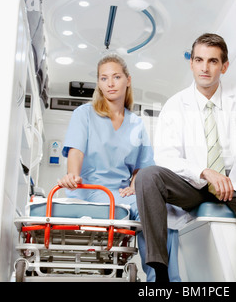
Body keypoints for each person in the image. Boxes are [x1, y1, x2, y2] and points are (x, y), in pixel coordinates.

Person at [135, 33, 236, 282]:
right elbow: (166, 157)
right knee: (147, 176)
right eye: (199, 60)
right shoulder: (175, 105)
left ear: (224, 66)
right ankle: (159, 270)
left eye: (212, 61)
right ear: (191, 63)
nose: (204, 67)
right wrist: (203, 171)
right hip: (194, 186)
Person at [58, 54, 181, 281]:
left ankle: (168, 280)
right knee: (149, 207)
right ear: (99, 84)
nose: (110, 83)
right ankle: (160, 281)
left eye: (116, 77)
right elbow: (75, 151)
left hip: (123, 192)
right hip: (90, 188)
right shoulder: (84, 114)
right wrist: (72, 175)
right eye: (104, 78)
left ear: (128, 80)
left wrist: (135, 186)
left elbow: (142, 168)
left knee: (166, 211)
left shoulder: (136, 123)